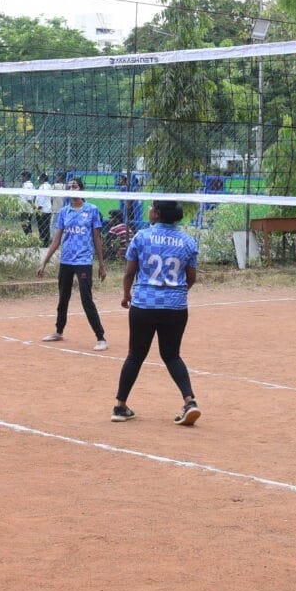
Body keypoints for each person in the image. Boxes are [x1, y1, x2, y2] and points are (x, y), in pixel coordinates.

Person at [112, 199, 201, 425]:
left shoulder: (141, 237)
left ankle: (120, 406)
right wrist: (175, 293)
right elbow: (191, 278)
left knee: (135, 355)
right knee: (172, 355)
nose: (149, 210)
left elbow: (129, 273)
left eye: (152, 208)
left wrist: (126, 295)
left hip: (144, 304)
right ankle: (190, 401)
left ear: (157, 214)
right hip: (175, 307)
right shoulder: (188, 241)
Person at [37, 177, 109, 349]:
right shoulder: (64, 211)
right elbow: (57, 240)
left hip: (83, 260)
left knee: (86, 299)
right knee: (63, 297)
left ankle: (101, 338)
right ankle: (59, 331)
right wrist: (44, 262)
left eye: (74, 186)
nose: (71, 189)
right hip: (66, 260)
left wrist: (101, 264)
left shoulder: (92, 210)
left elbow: (97, 238)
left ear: (81, 189)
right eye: (69, 187)